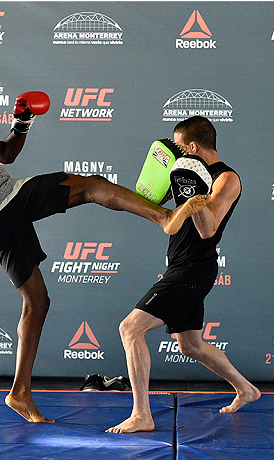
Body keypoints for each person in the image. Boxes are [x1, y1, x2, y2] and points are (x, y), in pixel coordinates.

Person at [0, 60, 208, 423]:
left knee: (37, 300)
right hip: (4, 204)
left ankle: (19, 392)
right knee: (92, 185)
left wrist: (23, 122)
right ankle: (164, 217)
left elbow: (5, 155)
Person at [107, 116, 260, 434]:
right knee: (190, 345)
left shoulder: (226, 178)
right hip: (179, 263)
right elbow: (165, 215)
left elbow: (208, 229)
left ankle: (141, 415)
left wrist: (193, 195)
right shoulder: (181, 174)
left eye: (178, 146)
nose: (174, 152)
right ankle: (246, 390)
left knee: (130, 329)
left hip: (195, 267)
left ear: (192, 146)